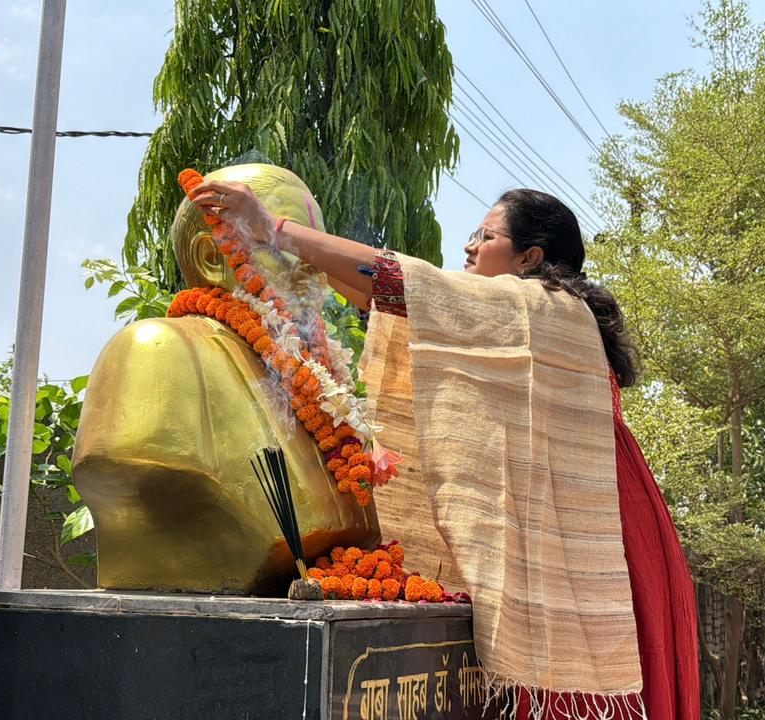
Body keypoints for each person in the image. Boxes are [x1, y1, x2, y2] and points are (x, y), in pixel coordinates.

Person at [193, 181, 700, 720]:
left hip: (597, 525)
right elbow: (390, 300)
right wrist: (295, 257)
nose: (469, 247)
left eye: (485, 235)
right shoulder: (517, 313)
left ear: (531, 257)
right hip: (592, 512)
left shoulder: (546, 308)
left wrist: (275, 230)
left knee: (569, 687)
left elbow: (405, 285)